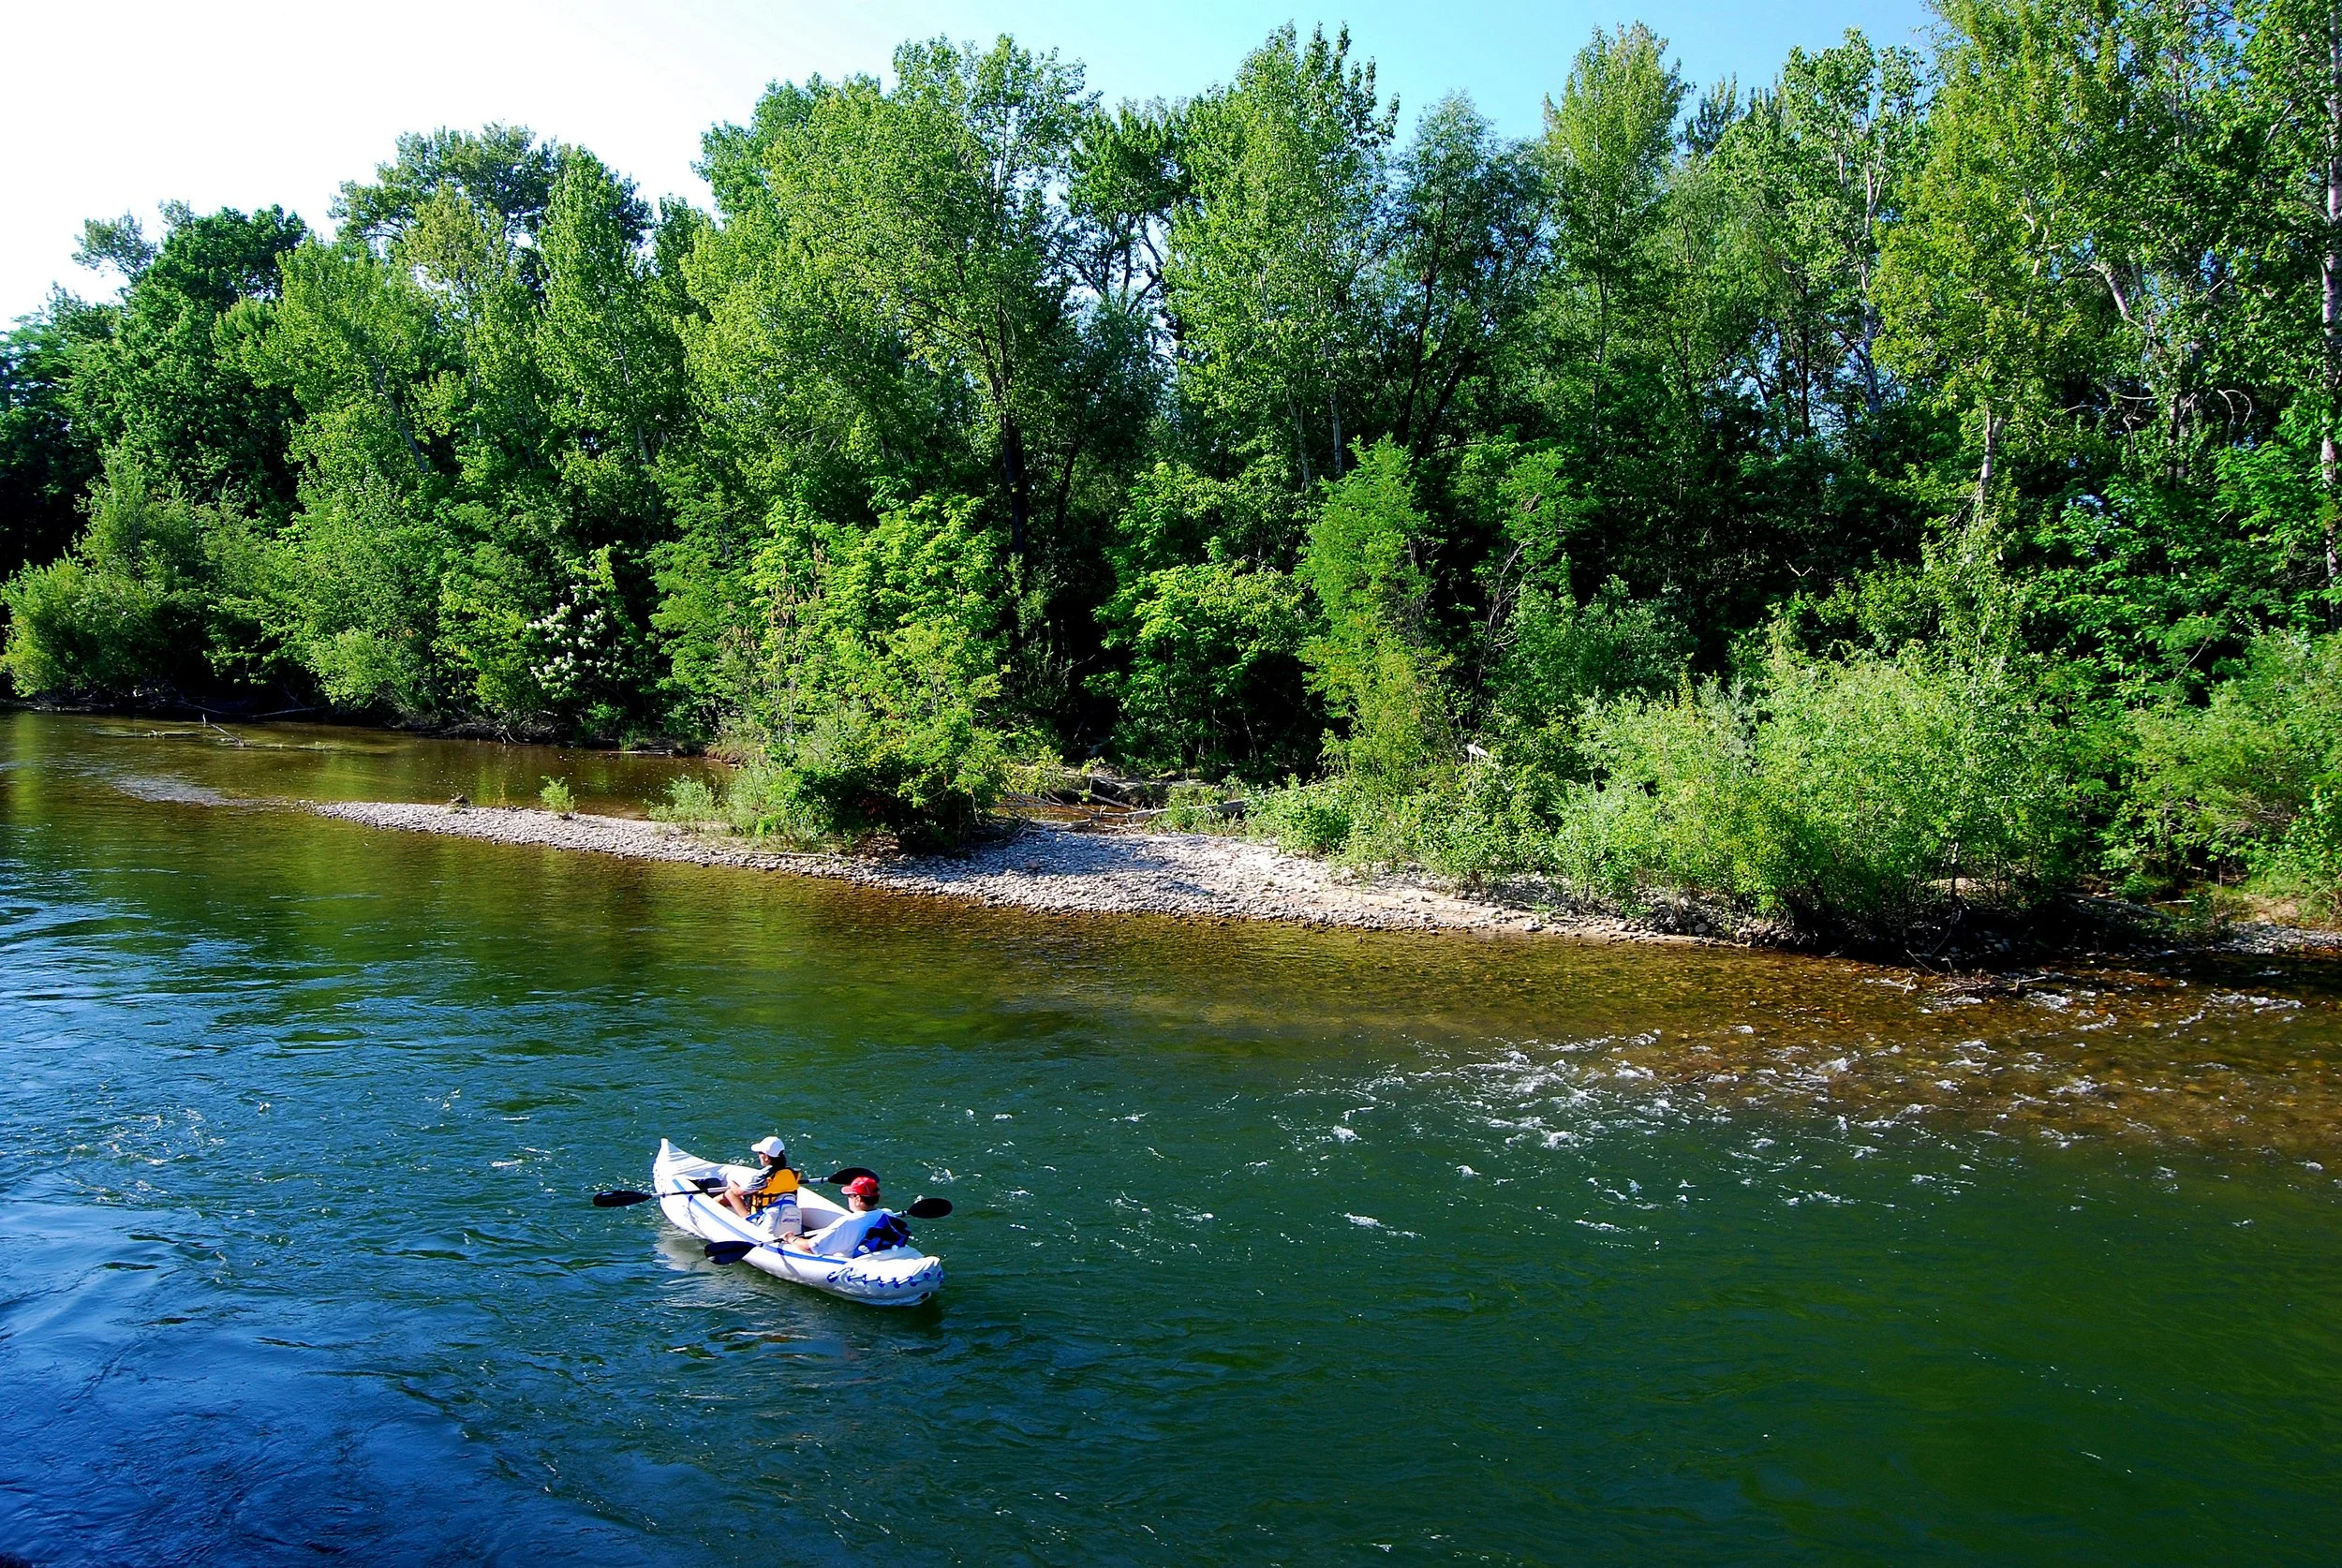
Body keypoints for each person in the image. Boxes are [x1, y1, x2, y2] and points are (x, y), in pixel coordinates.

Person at [791, 1174, 912, 1257]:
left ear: (857, 1199)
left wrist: (792, 1238)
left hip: (851, 1264)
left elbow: (810, 1248)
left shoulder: (847, 1222)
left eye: (849, 1196)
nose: (848, 1199)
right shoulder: (888, 1214)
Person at [721, 1135, 800, 1235]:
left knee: (730, 1193)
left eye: (760, 1153)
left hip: (761, 1217)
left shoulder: (764, 1175)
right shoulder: (791, 1173)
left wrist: (730, 1181)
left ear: (766, 1157)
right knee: (723, 1198)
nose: (758, 1155)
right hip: (783, 1211)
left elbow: (738, 1192)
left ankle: (746, 1222)